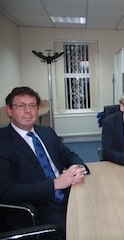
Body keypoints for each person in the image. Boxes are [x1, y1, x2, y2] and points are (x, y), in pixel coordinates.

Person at [0, 86, 89, 234]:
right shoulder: (3, 142)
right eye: (21, 106)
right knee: (76, 232)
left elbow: (67, 155)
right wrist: (54, 184)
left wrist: (77, 167)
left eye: (32, 105)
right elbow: (7, 190)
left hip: (70, 190)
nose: (28, 111)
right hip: (37, 206)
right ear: (9, 111)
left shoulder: (46, 132)